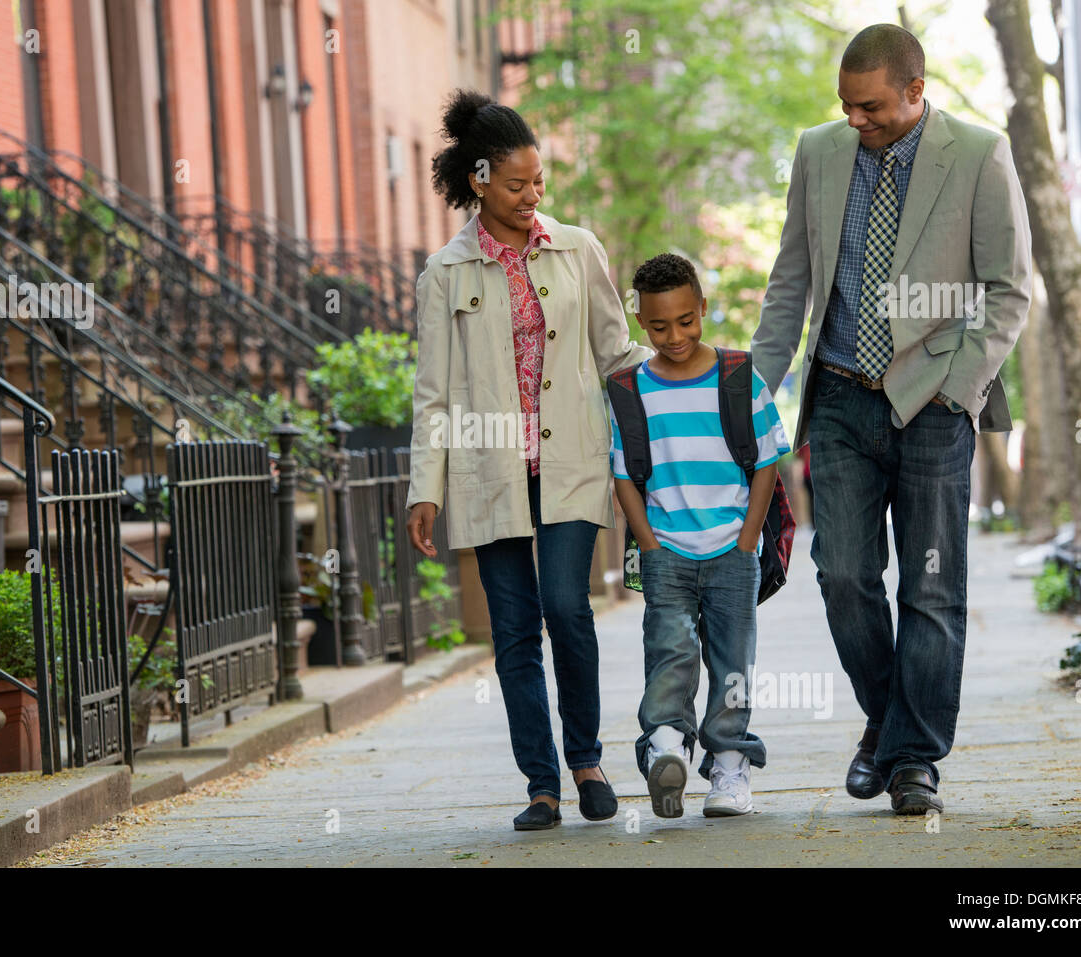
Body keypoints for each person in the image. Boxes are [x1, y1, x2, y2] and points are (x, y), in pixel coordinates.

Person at [750, 24, 1031, 814]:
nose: (855, 120)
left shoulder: (978, 154)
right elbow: (789, 284)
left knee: (933, 589)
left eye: (869, 106)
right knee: (842, 575)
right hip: (839, 396)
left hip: (934, 401)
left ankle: (912, 758)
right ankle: (888, 717)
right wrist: (751, 395)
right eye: (845, 105)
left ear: (915, 90)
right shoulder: (819, 152)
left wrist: (961, 385)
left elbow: (1009, 287)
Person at [405, 89, 654, 830]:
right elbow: (433, 393)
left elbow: (617, 348)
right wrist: (427, 485)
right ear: (480, 179)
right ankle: (541, 783)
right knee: (512, 630)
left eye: (538, 181)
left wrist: (688, 373)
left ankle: (588, 760)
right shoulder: (445, 272)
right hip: (490, 469)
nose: (531, 195)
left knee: (566, 608)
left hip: (572, 459)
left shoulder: (578, 248)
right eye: (516, 184)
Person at [612, 254, 790, 819]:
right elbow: (623, 475)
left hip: (732, 551)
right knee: (670, 650)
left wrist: (747, 541)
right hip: (665, 550)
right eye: (659, 326)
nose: (675, 336)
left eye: (686, 321)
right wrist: (650, 544)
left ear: (703, 309)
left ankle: (730, 764)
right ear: (641, 322)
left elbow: (766, 463)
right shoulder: (628, 389)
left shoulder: (739, 376)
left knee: (732, 660)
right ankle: (666, 742)